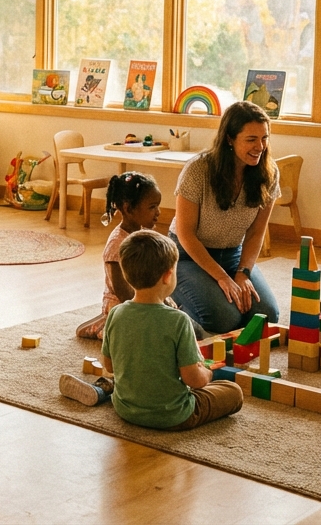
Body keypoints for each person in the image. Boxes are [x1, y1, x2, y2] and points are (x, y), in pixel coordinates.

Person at [58, 231, 244, 432]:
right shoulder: (178, 320)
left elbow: (110, 366)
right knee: (233, 391)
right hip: (174, 415)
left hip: (125, 409)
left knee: (135, 372)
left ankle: (105, 390)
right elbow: (194, 380)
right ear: (167, 276)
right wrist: (207, 373)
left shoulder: (116, 313)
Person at [168, 101, 281, 334]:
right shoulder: (198, 170)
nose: (260, 146)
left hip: (231, 254)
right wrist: (222, 278)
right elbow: (185, 233)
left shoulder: (269, 172)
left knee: (266, 316)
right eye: (251, 139)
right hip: (186, 255)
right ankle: (171, 302)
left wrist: (243, 274)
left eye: (264, 138)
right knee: (223, 319)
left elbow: (256, 232)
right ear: (230, 139)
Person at [76, 172, 163, 339]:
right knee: (139, 336)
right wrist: (150, 308)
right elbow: (123, 293)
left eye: (157, 206)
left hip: (144, 299)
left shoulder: (147, 233)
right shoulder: (117, 245)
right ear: (128, 208)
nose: (158, 212)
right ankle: (103, 323)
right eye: (152, 207)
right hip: (123, 305)